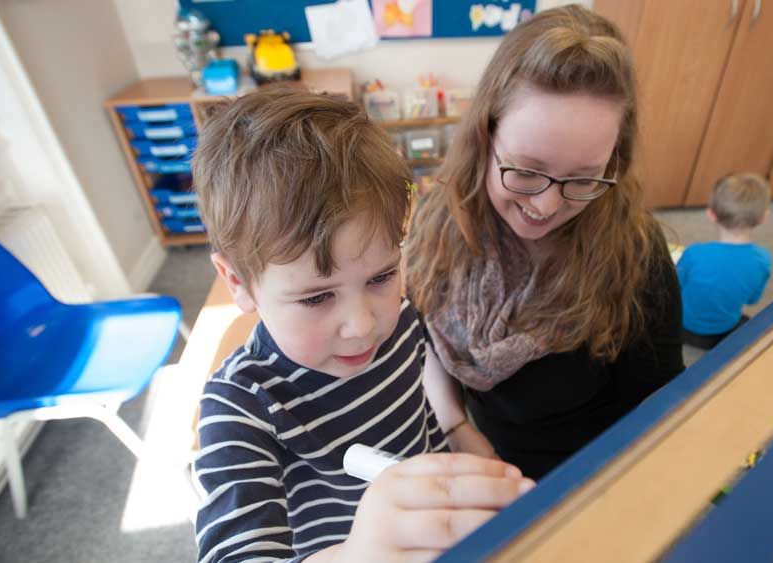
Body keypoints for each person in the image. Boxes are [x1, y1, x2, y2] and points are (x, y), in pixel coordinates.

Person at [191, 85, 533, 563]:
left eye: (381, 276)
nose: (364, 324)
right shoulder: (241, 406)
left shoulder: (398, 318)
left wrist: (455, 425)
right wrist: (361, 552)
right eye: (316, 297)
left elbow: (421, 357)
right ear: (238, 281)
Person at [406, 5, 685, 481]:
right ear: (484, 135)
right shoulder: (438, 221)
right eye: (526, 170)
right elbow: (423, 336)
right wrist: (456, 427)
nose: (547, 206)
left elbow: (658, 409)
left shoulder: (634, 257)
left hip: (592, 474)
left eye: (583, 179)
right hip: (483, 459)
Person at [677, 173, 773, 350]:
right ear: (763, 218)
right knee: (750, 325)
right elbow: (752, 300)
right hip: (722, 331)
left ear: (711, 214)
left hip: (681, 327)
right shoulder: (763, 260)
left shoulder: (694, 254)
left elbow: (675, 287)